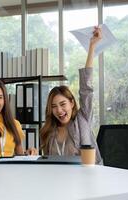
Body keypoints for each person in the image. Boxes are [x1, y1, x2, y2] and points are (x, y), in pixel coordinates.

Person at [40, 26, 102, 164]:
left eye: (63, 104)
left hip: (87, 178)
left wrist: (92, 46)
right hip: (59, 181)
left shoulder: (82, 119)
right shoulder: (50, 132)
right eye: (54, 106)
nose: (59, 111)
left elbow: (86, 88)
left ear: (72, 103)